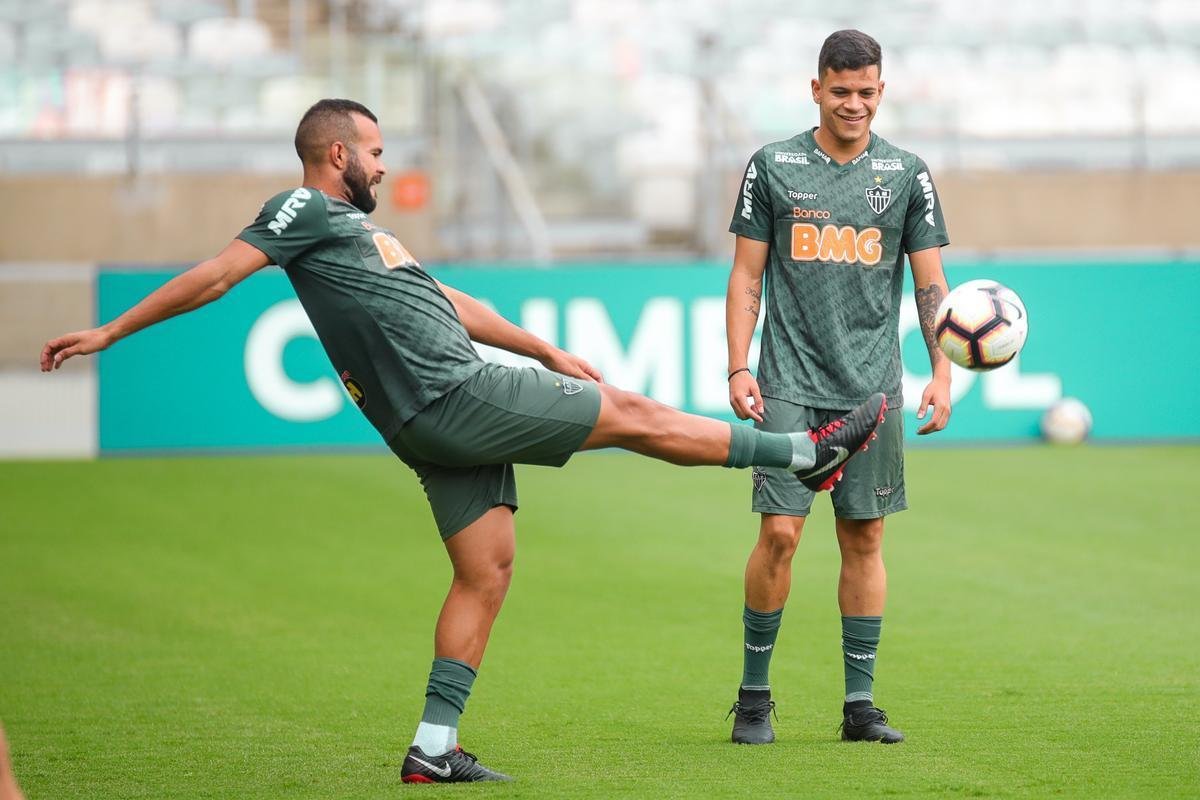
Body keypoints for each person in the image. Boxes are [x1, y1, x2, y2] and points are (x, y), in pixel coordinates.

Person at [41, 99, 887, 783]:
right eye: (374, 152)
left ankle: (432, 749)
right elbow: (216, 275)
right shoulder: (297, 209)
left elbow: (445, 302)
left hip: (428, 423)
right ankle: (807, 454)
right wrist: (111, 332)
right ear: (336, 154)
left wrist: (544, 347)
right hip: (456, 394)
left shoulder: (363, 236)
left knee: (486, 571)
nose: (384, 165)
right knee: (628, 412)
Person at [723, 30, 952, 746]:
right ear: (815, 88)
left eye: (866, 92)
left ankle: (860, 706)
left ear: (881, 92)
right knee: (781, 535)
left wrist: (944, 369)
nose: (853, 103)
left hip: (872, 388)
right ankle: (755, 695)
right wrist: (738, 366)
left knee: (866, 536)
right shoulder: (773, 165)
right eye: (840, 90)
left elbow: (930, 284)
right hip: (788, 379)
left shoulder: (908, 174)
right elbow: (746, 276)